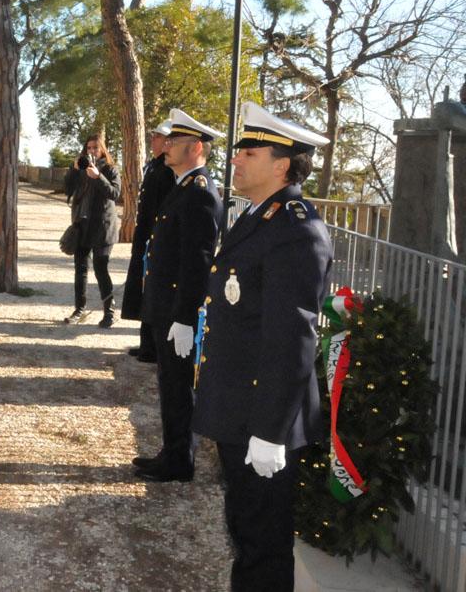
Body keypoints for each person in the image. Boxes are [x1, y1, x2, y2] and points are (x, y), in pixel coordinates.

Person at [192, 103, 332, 591]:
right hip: (240, 405)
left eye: (248, 152)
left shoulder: (295, 231)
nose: (236, 159)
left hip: (262, 414)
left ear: (281, 164)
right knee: (246, 528)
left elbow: (292, 337)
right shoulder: (260, 217)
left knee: (264, 538)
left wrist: (271, 431)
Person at [133, 109, 224, 483]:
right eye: (167, 141)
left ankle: (179, 460)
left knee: (178, 386)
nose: (166, 147)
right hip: (165, 307)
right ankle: (172, 452)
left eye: (175, 143)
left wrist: (185, 318)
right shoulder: (183, 186)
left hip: (176, 311)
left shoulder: (199, 193)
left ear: (196, 148)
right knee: (169, 385)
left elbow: (197, 263)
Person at [122, 120, 176, 361]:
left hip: (154, 236)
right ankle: (146, 343)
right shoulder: (154, 166)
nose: (152, 140)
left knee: (152, 290)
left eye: (157, 137)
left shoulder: (166, 170)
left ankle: (151, 347)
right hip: (146, 234)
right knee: (145, 290)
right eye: (153, 136)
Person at [61, 134, 122, 328]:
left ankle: (109, 312)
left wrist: (98, 176)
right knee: (80, 271)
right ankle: (79, 310)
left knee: (100, 268)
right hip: (81, 226)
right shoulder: (80, 170)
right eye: (89, 148)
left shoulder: (111, 169)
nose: (92, 151)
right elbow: (66, 190)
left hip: (103, 228)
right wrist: (73, 169)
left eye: (96, 148)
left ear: (103, 149)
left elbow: (114, 193)